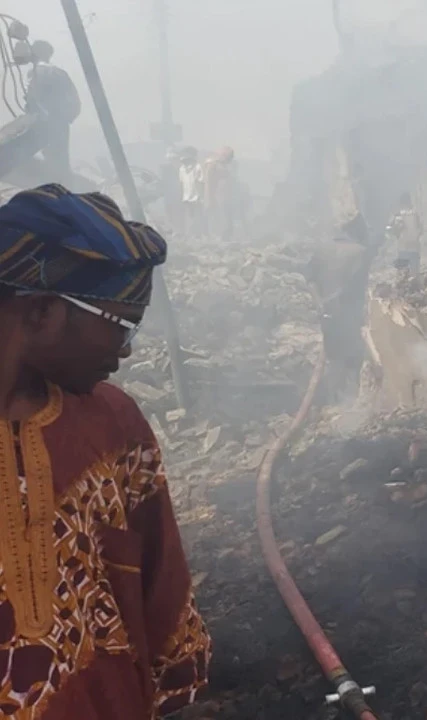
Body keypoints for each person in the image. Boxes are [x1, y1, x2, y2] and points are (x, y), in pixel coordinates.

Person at [0, 184, 211, 719]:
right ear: (43, 313)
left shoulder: (114, 423)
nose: (126, 350)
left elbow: (158, 578)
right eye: (122, 324)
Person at [308, 213, 376, 402]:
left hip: (327, 313)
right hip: (348, 314)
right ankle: (352, 403)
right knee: (353, 358)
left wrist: (319, 302)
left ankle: (332, 403)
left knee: (334, 358)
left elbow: (310, 279)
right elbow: (359, 288)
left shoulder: (323, 249)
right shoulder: (360, 252)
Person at [23, 41, 81, 185]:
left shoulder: (36, 72)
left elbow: (33, 100)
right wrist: (66, 118)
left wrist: (37, 118)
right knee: (61, 160)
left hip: (44, 123)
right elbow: (74, 100)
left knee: (48, 161)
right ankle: (66, 189)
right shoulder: (60, 72)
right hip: (60, 122)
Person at [202, 146, 240, 241]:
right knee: (218, 216)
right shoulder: (213, 165)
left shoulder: (226, 166)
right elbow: (208, 183)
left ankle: (226, 236)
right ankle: (217, 236)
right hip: (217, 196)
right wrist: (209, 198)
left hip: (226, 196)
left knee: (226, 216)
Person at [386, 192, 423, 275]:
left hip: (403, 248)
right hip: (415, 248)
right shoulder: (416, 213)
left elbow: (393, 230)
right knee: (415, 273)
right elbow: (421, 230)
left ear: (401, 203)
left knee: (403, 276)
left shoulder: (398, 215)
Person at [176, 147, 204, 236]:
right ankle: (190, 235)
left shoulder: (198, 167)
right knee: (189, 216)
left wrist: (201, 196)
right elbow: (181, 183)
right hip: (186, 197)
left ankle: (199, 235)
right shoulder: (182, 169)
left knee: (198, 217)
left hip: (197, 197)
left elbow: (201, 182)